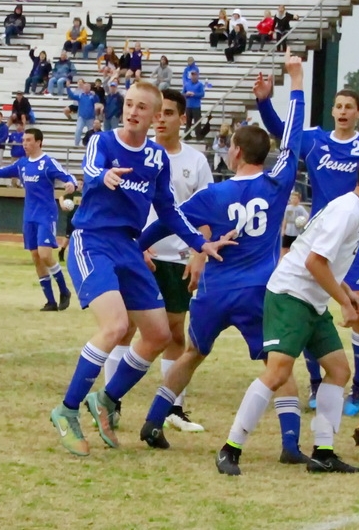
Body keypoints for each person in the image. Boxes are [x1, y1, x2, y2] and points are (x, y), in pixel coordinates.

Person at [48, 81, 235, 457]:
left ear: (154, 116)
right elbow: (90, 167)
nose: (133, 112)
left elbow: (168, 210)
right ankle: (66, 410)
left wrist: (201, 244)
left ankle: (106, 399)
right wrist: (104, 177)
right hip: (93, 240)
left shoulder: (155, 159)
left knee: (159, 334)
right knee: (116, 326)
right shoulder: (102, 141)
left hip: (129, 247)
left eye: (142, 108)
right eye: (129, 104)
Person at [134, 63, 305, 458]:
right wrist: (295, 84)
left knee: (192, 352)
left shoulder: (215, 196)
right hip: (259, 291)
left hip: (215, 290)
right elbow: (293, 140)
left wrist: (137, 245)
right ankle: (291, 443)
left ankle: (154, 420)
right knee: (279, 364)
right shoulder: (277, 183)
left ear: (237, 152)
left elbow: (166, 223)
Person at [215, 154, 359, 476]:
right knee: (278, 373)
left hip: (311, 300)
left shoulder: (352, 210)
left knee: (339, 371)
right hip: (290, 295)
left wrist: (346, 291)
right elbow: (313, 262)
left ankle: (324, 451)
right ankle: (230, 448)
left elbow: (322, 258)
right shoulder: (348, 212)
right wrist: (342, 300)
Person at [255, 76, 359, 416]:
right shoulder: (315, 141)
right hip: (322, 238)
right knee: (312, 309)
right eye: (338, 106)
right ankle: (316, 381)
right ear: (332, 111)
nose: (342, 111)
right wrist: (264, 102)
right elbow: (283, 132)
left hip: (357, 244)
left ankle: (358, 387)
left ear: (358, 113)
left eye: (348, 107)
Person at [98, 87, 215, 434]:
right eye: (157, 112)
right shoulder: (133, 152)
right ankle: (110, 403)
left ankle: (172, 408)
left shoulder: (195, 161)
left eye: (168, 113)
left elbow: (206, 213)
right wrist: (137, 246)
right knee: (126, 328)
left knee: (176, 332)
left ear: (182, 119)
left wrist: (199, 253)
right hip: (134, 252)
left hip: (176, 258)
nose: (160, 119)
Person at [0, 128, 76, 310]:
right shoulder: (21, 164)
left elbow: (68, 176)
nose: (25, 143)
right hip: (29, 215)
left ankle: (64, 290)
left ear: (39, 142)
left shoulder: (48, 163)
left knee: (45, 255)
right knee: (36, 257)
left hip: (46, 214)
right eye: (23, 140)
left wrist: (70, 183)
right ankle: (50, 302)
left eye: (28, 140)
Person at [281, 190, 307, 255]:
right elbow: (285, 219)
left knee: (293, 248)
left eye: (295, 198)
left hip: (296, 232)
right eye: (292, 198)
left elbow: (306, 217)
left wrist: (303, 223)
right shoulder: (287, 208)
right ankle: (282, 259)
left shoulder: (301, 208)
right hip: (288, 231)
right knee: (284, 247)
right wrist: (283, 230)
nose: (293, 200)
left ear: (298, 199)